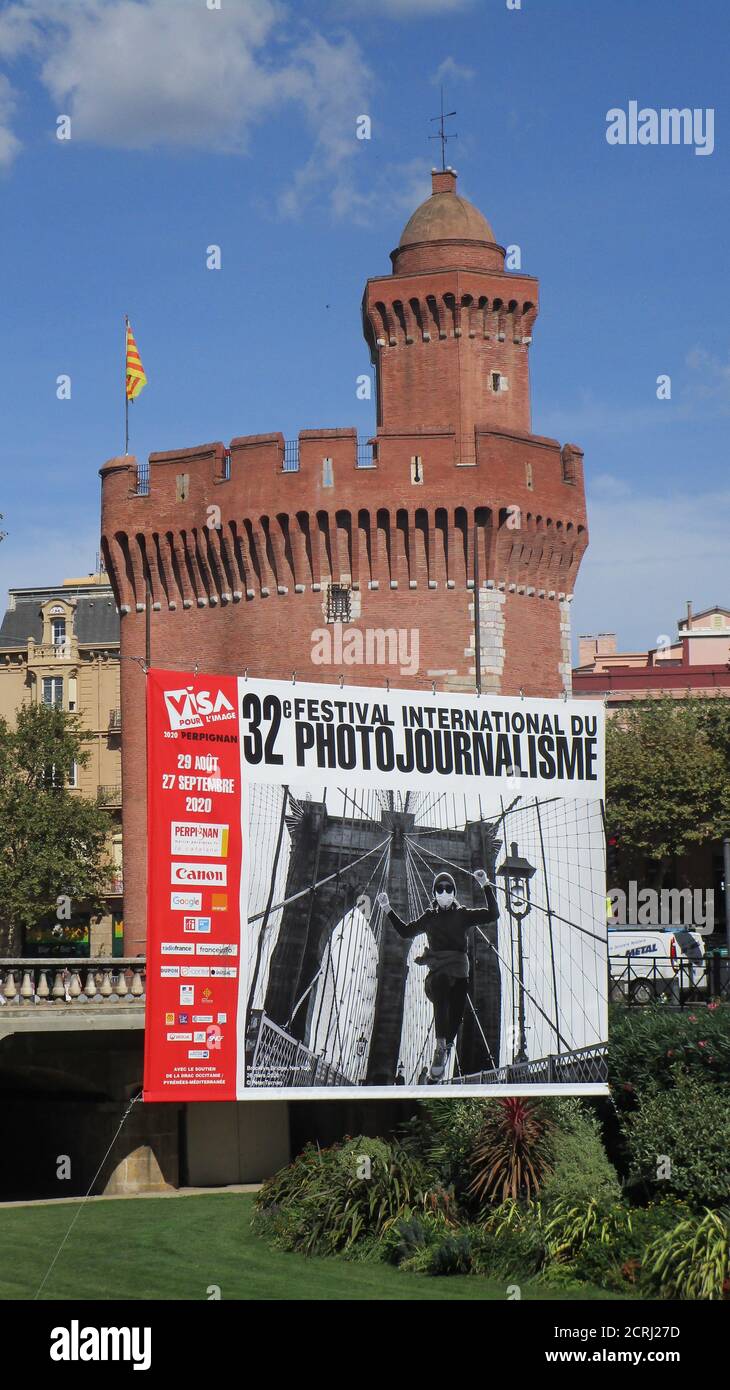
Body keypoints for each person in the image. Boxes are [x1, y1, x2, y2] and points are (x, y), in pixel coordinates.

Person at [376, 869, 495, 1081]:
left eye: (449, 889)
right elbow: (405, 932)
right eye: (440, 889)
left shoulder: (463, 915)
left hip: (459, 971)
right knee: (440, 987)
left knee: (457, 1015)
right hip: (439, 972)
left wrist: (485, 884)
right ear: (434, 893)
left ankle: (445, 1049)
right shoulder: (429, 918)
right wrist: (387, 908)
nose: (444, 892)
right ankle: (441, 1044)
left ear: (454, 892)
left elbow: (493, 914)